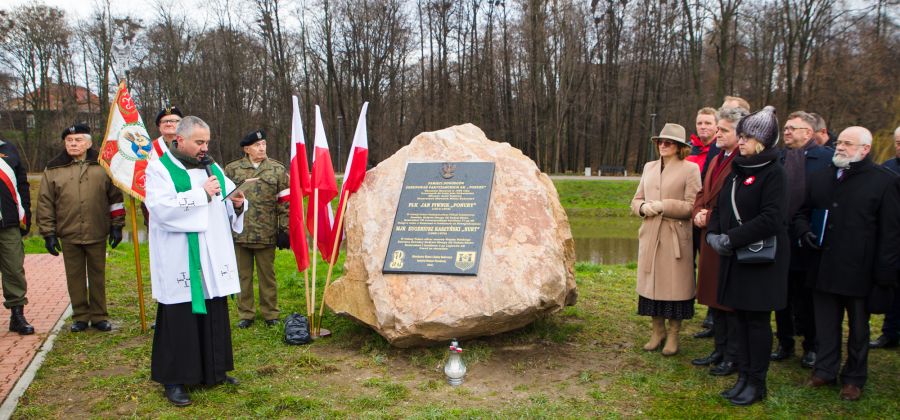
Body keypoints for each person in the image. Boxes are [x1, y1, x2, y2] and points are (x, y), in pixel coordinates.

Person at [145, 116, 246, 406]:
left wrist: (238, 203)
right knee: (180, 317)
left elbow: (226, 198)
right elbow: (160, 209)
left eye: (207, 142)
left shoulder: (211, 166)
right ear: (180, 140)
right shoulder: (160, 168)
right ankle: (175, 379)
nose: (205, 147)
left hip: (211, 253)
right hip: (180, 255)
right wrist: (200, 194)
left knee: (213, 308)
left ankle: (214, 370)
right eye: (199, 142)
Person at [794, 126, 900, 401]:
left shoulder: (884, 182)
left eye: (848, 144)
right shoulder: (821, 177)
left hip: (860, 271)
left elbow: (891, 234)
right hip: (823, 267)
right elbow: (802, 213)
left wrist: (885, 276)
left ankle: (854, 377)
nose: (840, 147)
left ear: (864, 150)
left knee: (859, 329)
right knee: (825, 324)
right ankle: (825, 370)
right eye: (839, 142)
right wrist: (804, 231)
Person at [706, 106, 788, 405]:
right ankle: (742, 375)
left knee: (756, 322)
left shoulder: (775, 173)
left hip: (761, 261)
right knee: (739, 318)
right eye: (739, 136)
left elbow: (772, 218)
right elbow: (720, 209)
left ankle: (757, 381)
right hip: (735, 259)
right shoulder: (737, 171)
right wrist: (714, 234)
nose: (741, 141)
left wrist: (732, 237)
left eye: (747, 137)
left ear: (763, 142)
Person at [36, 124, 125, 332]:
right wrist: (48, 233)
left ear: (89, 143)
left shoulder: (103, 165)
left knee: (97, 275)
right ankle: (80, 316)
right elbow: (45, 202)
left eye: (78, 140)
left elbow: (115, 199)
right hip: (69, 232)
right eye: (69, 140)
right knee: (74, 277)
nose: (73, 144)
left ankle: (99, 315)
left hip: (96, 230)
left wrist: (117, 226)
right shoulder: (54, 168)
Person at [631, 123, 702, 356]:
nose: (662, 145)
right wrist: (642, 208)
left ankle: (673, 334)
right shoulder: (649, 167)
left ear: (679, 147)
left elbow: (693, 206)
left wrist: (664, 206)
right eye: (660, 142)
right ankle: (657, 331)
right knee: (651, 286)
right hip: (651, 233)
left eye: (668, 142)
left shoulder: (690, 169)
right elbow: (637, 198)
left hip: (675, 236)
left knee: (675, 288)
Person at [771, 111, 833, 368]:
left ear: (808, 133)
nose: (786, 131)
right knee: (780, 294)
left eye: (792, 128)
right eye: (785, 128)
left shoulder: (826, 159)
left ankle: (812, 345)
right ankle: (784, 341)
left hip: (808, 237)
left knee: (806, 297)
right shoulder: (778, 158)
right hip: (779, 236)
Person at [690, 106, 749, 376]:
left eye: (724, 130)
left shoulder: (742, 160)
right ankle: (719, 349)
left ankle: (732, 355)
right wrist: (697, 212)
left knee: (729, 300)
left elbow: (739, 203)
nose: (717, 133)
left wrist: (710, 216)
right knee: (715, 297)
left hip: (726, 237)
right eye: (718, 128)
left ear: (740, 134)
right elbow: (704, 191)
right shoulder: (718, 158)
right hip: (710, 235)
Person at [224, 129, 290, 328]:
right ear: (247, 149)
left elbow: (285, 202)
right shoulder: (232, 169)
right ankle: (246, 314)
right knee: (243, 276)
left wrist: (284, 230)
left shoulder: (277, 169)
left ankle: (271, 314)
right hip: (240, 232)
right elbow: (225, 201)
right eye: (257, 145)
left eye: (264, 144)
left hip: (266, 233)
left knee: (267, 276)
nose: (262, 148)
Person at [686, 107, 720, 339]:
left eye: (708, 123)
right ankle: (683, 302)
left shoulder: (719, 151)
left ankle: (712, 311)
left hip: (708, 216)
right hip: (688, 214)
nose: (703, 127)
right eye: (700, 123)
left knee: (710, 265)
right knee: (688, 263)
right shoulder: (688, 149)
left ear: (717, 126)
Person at [870, 125, 900, 349]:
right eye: (897, 143)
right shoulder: (888, 168)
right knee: (893, 287)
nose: (899, 147)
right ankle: (889, 333)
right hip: (893, 237)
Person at [0, 136, 34, 335]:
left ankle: (17, 315)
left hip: (8, 223)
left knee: (14, 269)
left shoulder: (8, 149)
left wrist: (26, 215)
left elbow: (22, 185)